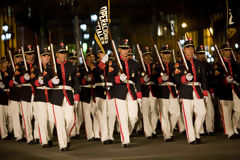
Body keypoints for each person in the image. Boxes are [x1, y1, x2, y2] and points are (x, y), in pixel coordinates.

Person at [108, 39, 142, 148]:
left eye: (127, 48)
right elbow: (109, 78)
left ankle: (126, 132)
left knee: (133, 116)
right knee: (122, 116)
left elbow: (137, 80)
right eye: (123, 48)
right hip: (118, 91)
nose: (125, 50)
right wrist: (118, 78)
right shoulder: (113, 63)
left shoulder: (134, 63)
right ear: (119, 49)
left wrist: (139, 95)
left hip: (131, 90)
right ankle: (125, 140)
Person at [47, 43, 79, 151]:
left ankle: (65, 137)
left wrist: (77, 94)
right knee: (59, 121)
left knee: (71, 120)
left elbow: (75, 81)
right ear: (56, 54)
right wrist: (52, 81)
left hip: (68, 94)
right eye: (61, 52)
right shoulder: (50, 66)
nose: (63, 54)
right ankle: (63, 144)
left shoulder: (71, 65)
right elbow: (46, 81)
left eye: (64, 52)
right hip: (56, 95)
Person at [174, 39, 207, 144]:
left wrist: (205, 91)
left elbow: (203, 78)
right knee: (187, 116)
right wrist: (184, 78)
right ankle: (191, 137)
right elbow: (176, 78)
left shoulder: (198, 63)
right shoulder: (179, 64)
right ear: (184, 50)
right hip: (186, 90)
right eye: (188, 48)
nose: (190, 49)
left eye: (192, 47)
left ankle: (196, 133)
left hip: (197, 89)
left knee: (202, 112)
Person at [214, 42, 240, 139]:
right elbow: (215, 79)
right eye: (226, 50)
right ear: (222, 52)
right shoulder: (218, 64)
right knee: (227, 113)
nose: (228, 52)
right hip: (224, 92)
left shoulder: (234, 63)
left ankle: (234, 127)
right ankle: (230, 132)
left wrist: (235, 79)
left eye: (229, 50)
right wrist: (224, 79)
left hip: (235, 90)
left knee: (238, 110)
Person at [31, 48, 54, 148]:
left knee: (51, 119)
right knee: (42, 118)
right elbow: (32, 81)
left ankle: (49, 137)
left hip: (50, 94)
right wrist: (37, 81)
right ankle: (44, 140)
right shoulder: (36, 68)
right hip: (40, 95)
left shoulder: (52, 68)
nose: (47, 57)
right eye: (44, 56)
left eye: (48, 56)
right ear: (40, 57)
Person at [157, 44, 180, 142]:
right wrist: (161, 79)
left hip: (172, 91)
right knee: (164, 114)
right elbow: (153, 78)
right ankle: (167, 135)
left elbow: (177, 78)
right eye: (165, 53)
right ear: (161, 54)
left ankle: (169, 130)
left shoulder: (173, 65)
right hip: (162, 91)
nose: (167, 55)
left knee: (176, 113)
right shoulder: (157, 65)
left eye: (168, 53)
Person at [79, 47, 100, 142]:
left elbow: (99, 78)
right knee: (87, 116)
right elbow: (78, 81)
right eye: (89, 56)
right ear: (86, 57)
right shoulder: (81, 67)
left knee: (96, 114)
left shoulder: (97, 67)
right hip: (85, 92)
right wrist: (84, 79)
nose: (91, 58)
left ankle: (96, 134)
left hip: (95, 92)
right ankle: (90, 135)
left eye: (92, 56)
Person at [139, 46, 158, 139]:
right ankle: (148, 131)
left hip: (153, 90)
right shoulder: (139, 66)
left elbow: (158, 77)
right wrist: (142, 79)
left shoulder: (155, 66)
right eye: (146, 55)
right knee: (145, 112)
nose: (148, 56)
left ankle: (153, 129)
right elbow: (137, 79)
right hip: (144, 91)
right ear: (142, 56)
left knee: (155, 111)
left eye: (149, 54)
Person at [196, 45, 215, 136]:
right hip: (197, 89)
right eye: (200, 53)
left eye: (203, 53)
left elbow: (210, 78)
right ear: (197, 54)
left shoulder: (208, 65)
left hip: (206, 89)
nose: (201, 55)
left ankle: (209, 128)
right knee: (200, 111)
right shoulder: (195, 64)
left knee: (210, 110)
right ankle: (200, 129)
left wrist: (210, 89)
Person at [8, 50, 25, 142]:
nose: (19, 59)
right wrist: (12, 81)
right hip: (14, 93)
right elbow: (8, 81)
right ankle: (18, 135)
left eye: (20, 57)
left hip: (22, 92)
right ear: (14, 59)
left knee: (24, 114)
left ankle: (24, 132)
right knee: (15, 115)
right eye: (17, 57)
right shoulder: (10, 68)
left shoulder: (23, 67)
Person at [0, 56, 11, 140]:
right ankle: (4, 134)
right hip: (1, 95)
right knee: (2, 116)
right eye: (4, 63)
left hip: (9, 94)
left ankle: (9, 131)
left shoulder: (10, 72)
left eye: (7, 62)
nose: (6, 64)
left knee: (10, 114)